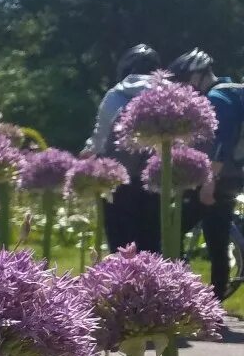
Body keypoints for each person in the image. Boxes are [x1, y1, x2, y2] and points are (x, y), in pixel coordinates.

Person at [170, 49, 243, 300]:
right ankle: (214, 301)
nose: (184, 87)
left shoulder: (217, 98)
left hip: (217, 179)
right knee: (217, 239)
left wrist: (209, 182)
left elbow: (222, 142)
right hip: (230, 178)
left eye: (185, 80)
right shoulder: (229, 92)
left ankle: (183, 293)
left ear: (198, 75)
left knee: (173, 227)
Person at [92, 44, 164, 252]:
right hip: (155, 179)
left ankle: (123, 283)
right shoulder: (165, 93)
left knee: (121, 243)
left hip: (118, 181)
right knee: (151, 242)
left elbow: (100, 137)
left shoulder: (114, 95)